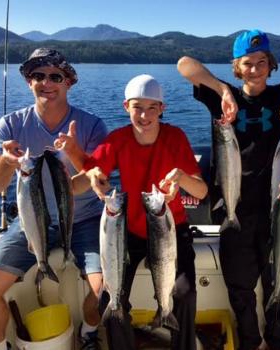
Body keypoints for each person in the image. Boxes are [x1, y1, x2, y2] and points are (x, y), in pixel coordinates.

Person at [177, 29, 280, 350]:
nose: (255, 69)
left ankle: (277, 340)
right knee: (240, 287)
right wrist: (222, 89)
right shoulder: (222, 99)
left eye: (261, 62)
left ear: (270, 63)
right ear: (237, 66)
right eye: (247, 63)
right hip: (232, 210)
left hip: (277, 209)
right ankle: (251, 342)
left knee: (277, 280)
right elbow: (184, 64)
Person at [0, 48, 108, 350]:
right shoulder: (9, 125)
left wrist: (73, 156)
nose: (46, 82)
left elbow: (97, 176)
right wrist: (7, 163)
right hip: (30, 222)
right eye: (37, 75)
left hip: (84, 220)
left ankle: (87, 334)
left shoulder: (92, 125)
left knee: (104, 291)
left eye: (55, 76)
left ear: (69, 82)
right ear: (28, 82)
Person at [72, 74, 208, 350]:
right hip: (129, 234)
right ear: (126, 107)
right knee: (110, 300)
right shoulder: (117, 140)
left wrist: (181, 178)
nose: (144, 115)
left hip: (172, 231)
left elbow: (202, 192)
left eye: (151, 107)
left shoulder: (175, 137)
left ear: (162, 109)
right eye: (137, 107)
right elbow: (76, 187)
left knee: (184, 294)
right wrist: (91, 173)